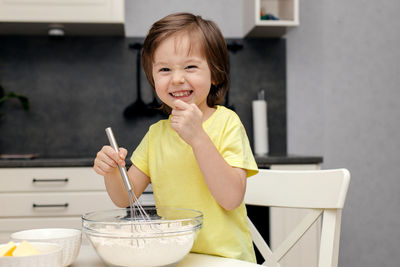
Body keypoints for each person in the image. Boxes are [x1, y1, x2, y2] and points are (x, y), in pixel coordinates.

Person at [93, 12, 259, 263]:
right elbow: (124, 198)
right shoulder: (156, 135)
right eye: (164, 69)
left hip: (228, 259)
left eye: (190, 66)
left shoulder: (227, 123)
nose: (177, 78)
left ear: (214, 74)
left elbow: (231, 198)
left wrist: (198, 138)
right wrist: (112, 171)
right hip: (176, 258)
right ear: (153, 79)